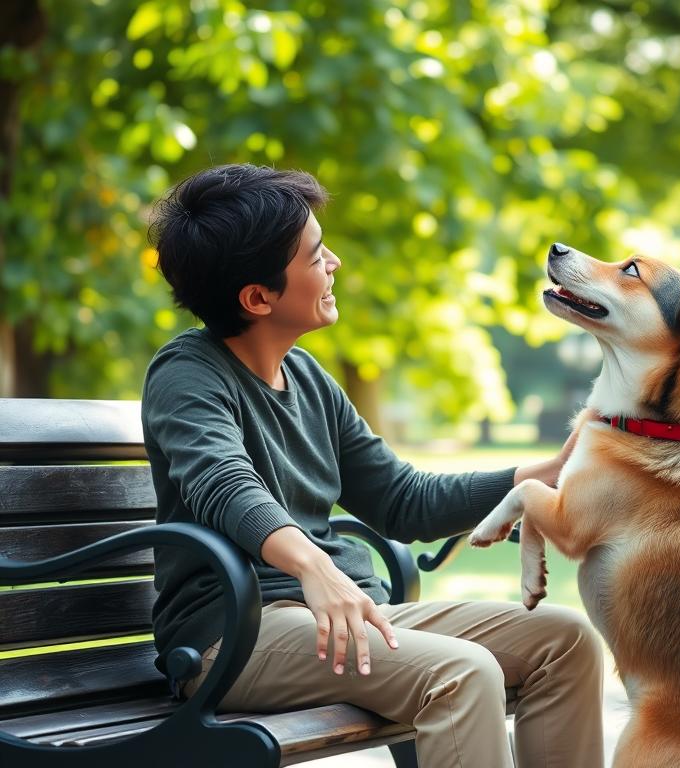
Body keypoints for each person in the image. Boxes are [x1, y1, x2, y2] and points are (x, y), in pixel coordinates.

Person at [142, 164, 604, 767]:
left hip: (350, 613)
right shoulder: (186, 375)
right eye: (314, 256)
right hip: (235, 633)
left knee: (566, 642)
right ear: (257, 298)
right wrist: (314, 567)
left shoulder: (308, 378)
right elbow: (222, 482)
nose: (333, 262)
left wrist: (546, 472)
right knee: (461, 674)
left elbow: (401, 499)